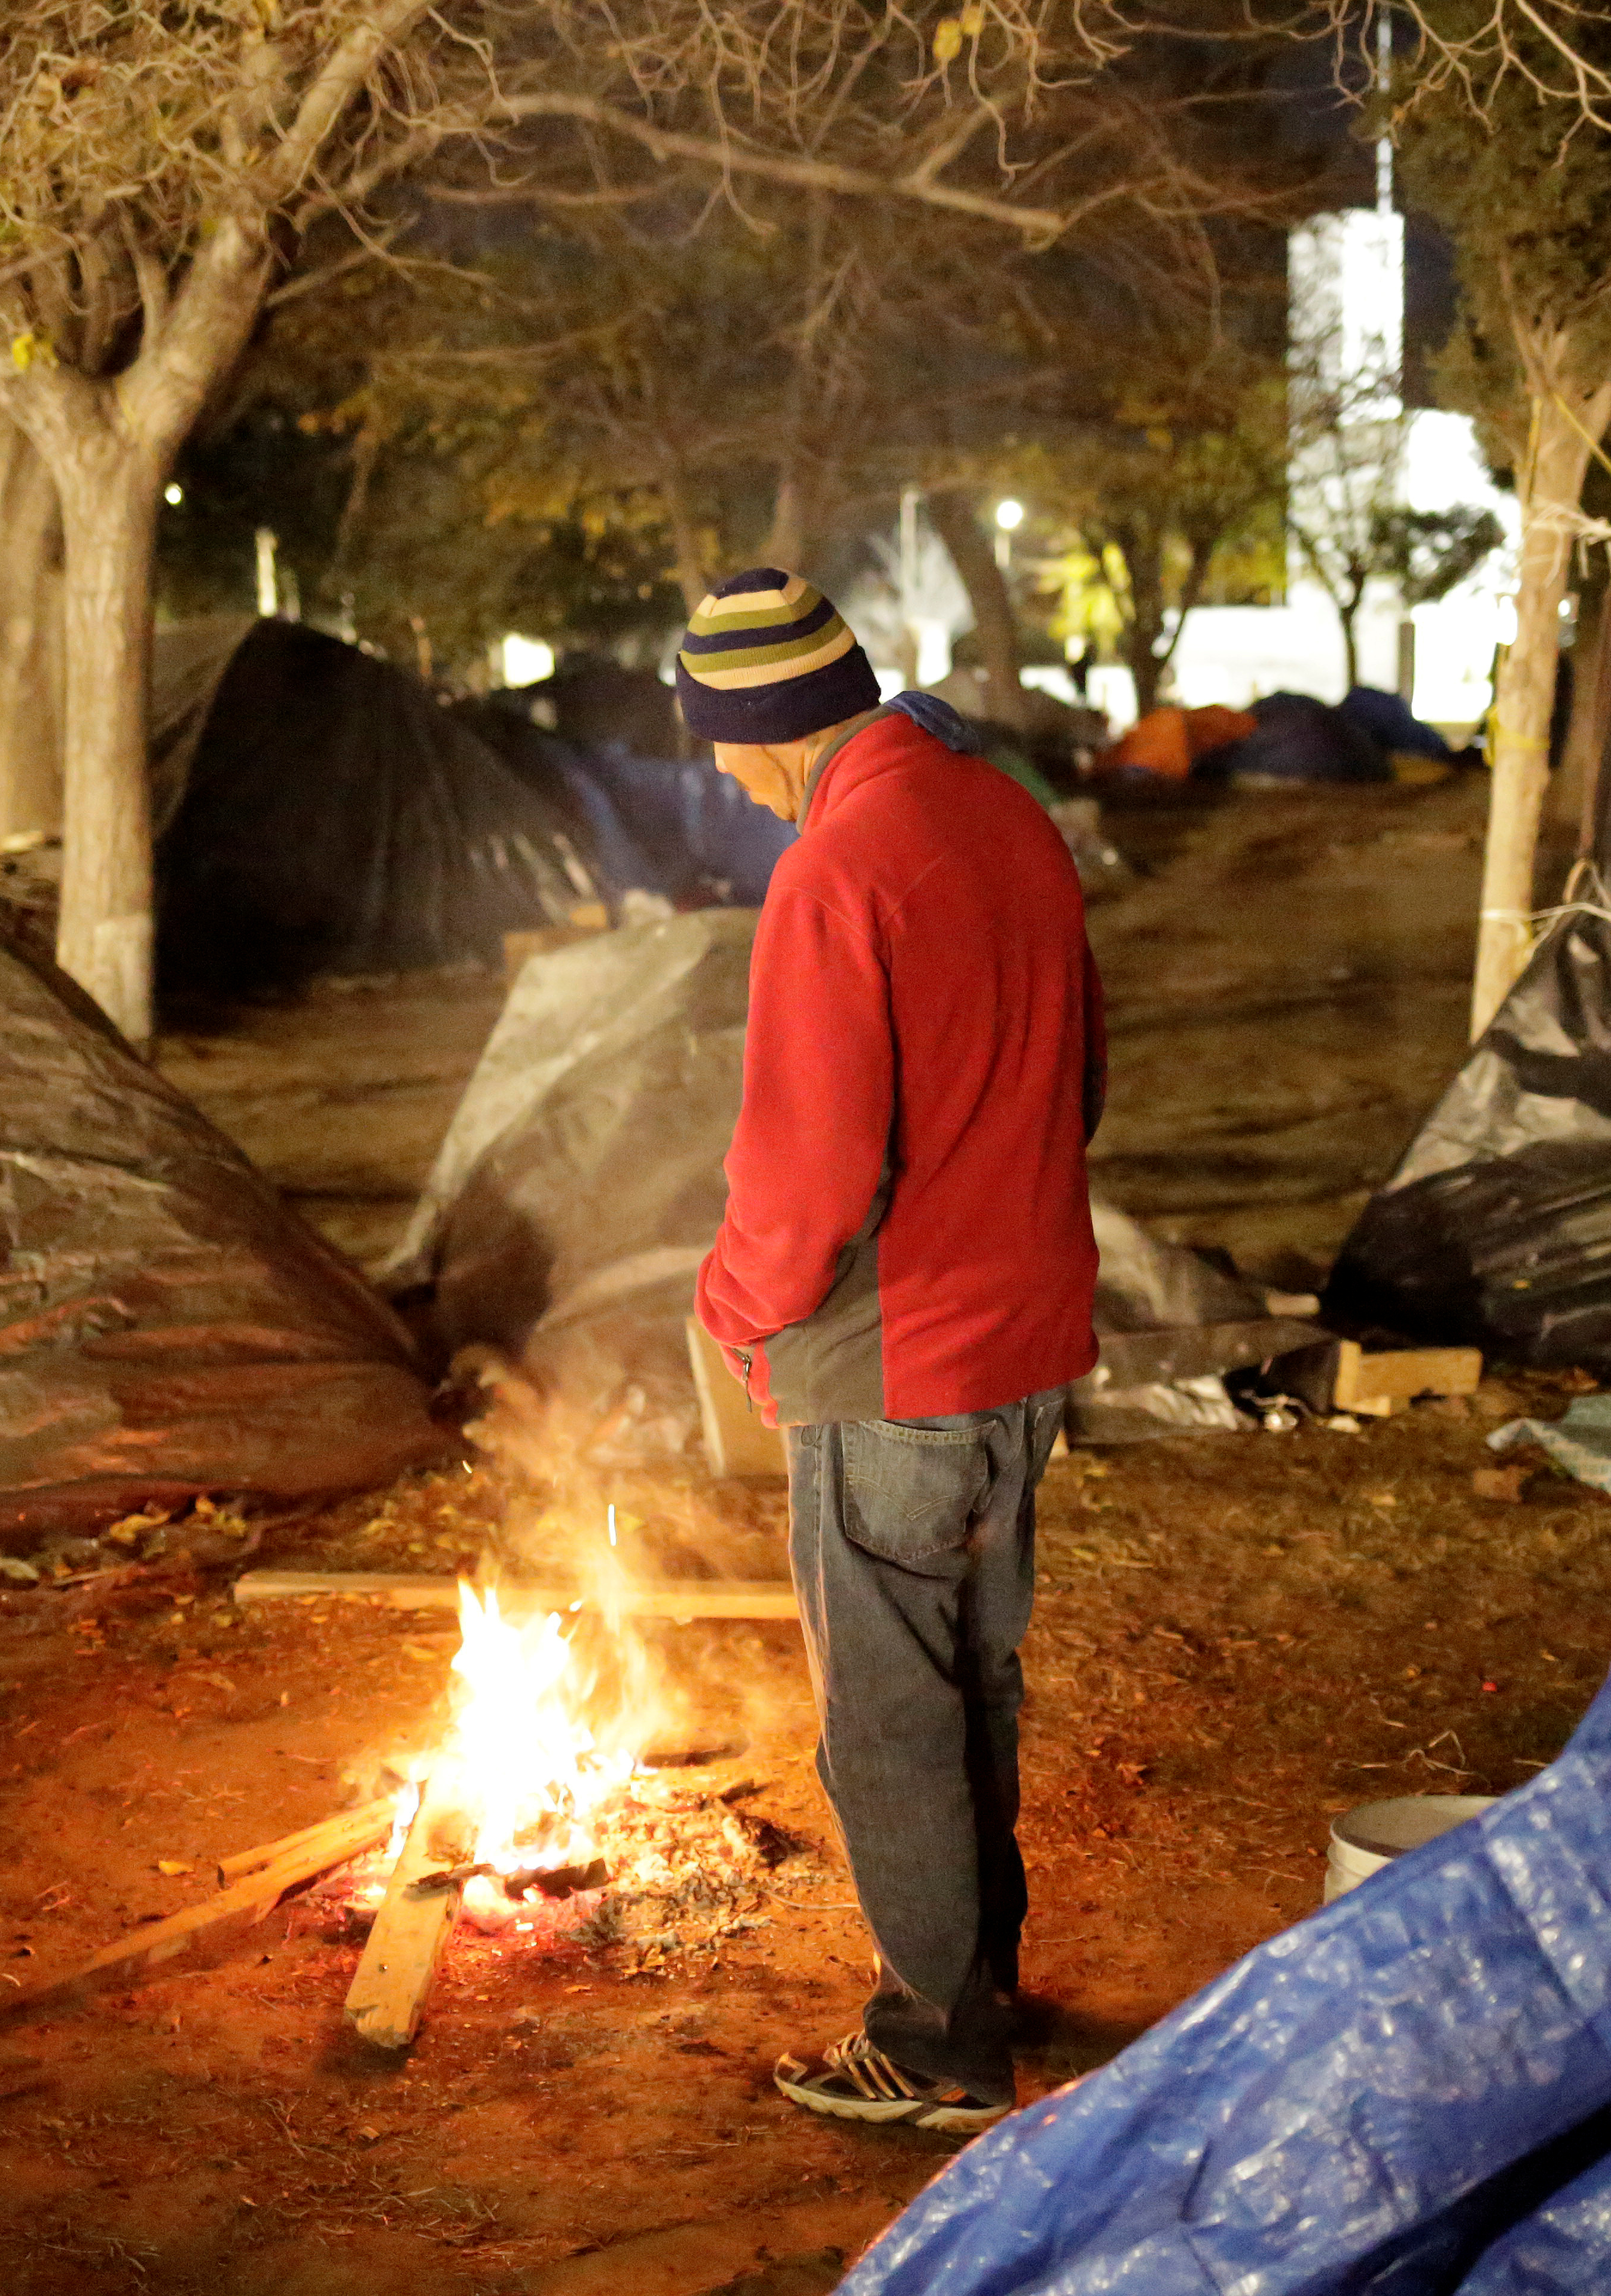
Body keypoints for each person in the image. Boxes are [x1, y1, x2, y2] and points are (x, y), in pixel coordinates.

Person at [680, 567, 1106, 2134]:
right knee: (974, 1683)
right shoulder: (1006, 818)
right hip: (1029, 1346)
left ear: (765, 732)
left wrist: (732, 1310)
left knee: (888, 1716)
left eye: (717, 746)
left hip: (895, 1369)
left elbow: (808, 1178)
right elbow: (1084, 1081)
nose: (718, 777)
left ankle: (936, 2044)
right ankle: (982, 1978)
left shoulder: (836, 870)